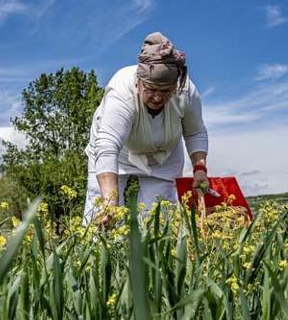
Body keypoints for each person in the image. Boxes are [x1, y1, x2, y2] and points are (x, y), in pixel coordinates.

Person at [83, 31, 209, 225]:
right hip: (118, 154)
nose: (157, 97)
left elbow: (195, 132)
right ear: (138, 82)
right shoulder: (121, 93)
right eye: (151, 89)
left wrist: (200, 169)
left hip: (164, 155)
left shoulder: (186, 92)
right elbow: (108, 146)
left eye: (165, 91)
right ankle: (101, 251)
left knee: (159, 216)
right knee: (101, 210)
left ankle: (151, 254)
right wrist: (109, 202)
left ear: (175, 86)